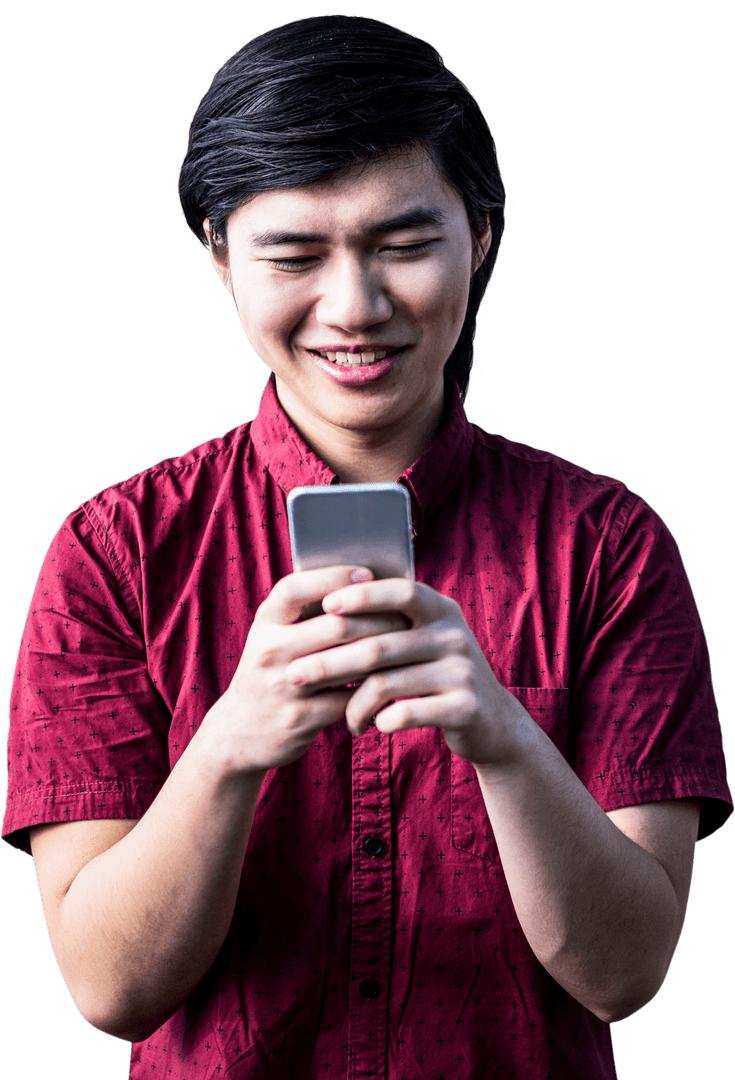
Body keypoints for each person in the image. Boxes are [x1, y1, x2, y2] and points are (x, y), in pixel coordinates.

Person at [3, 14, 731, 1080]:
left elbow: (625, 975)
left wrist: (503, 738)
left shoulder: (607, 545)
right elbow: (108, 989)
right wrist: (232, 742)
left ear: (480, 234)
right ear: (217, 253)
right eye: (294, 253)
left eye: (404, 244)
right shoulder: (114, 554)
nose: (356, 306)